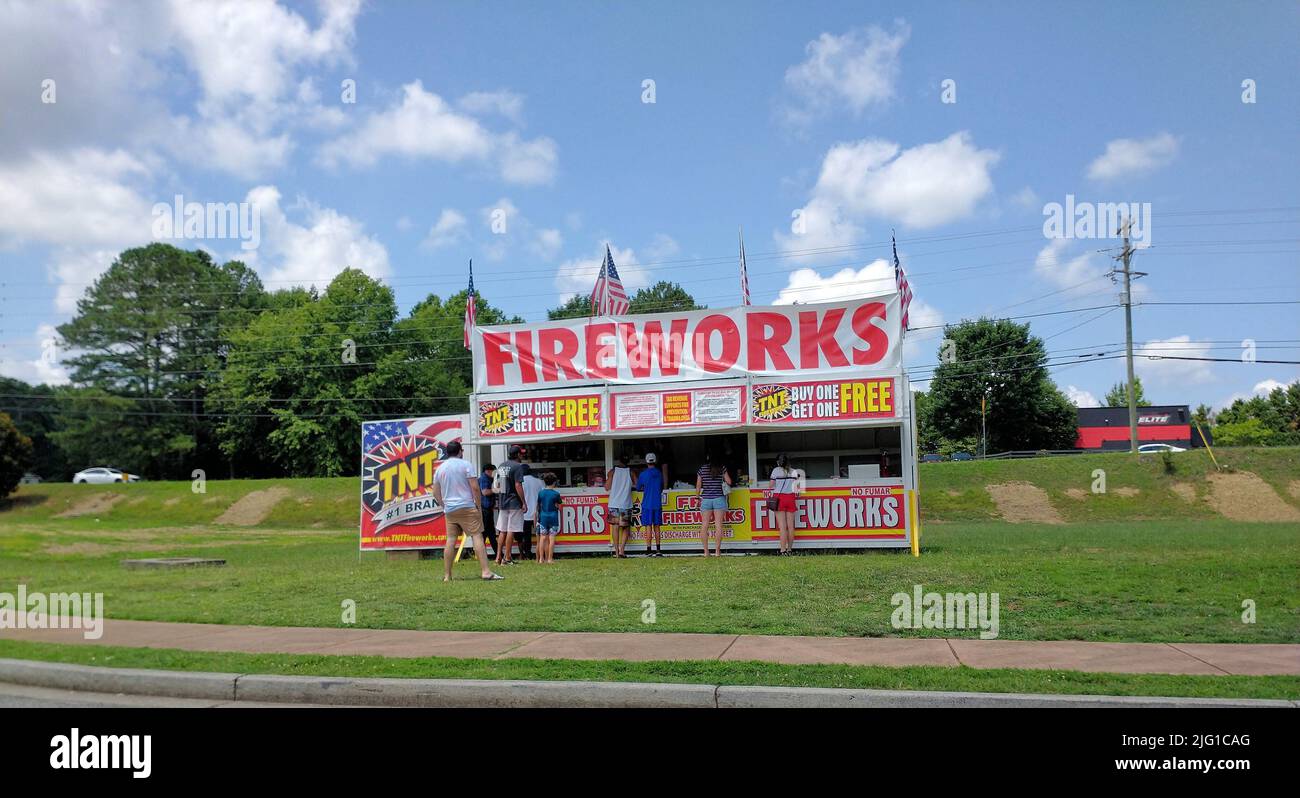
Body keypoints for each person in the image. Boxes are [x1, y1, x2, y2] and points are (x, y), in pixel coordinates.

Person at [431, 441, 502, 582]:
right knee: (477, 536)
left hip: (450, 509)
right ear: (460, 451)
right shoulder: (466, 465)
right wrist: (478, 505)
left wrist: (443, 506)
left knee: (451, 540)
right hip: (467, 506)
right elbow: (475, 488)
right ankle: (486, 571)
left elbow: (435, 492)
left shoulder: (440, 468)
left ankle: (447, 575)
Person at [494, 444, 528, 565]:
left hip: (503, 502)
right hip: (514, 502)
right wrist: (523, 502)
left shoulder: (501, 466)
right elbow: (518, 485)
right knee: (511, 530)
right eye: (521, 453)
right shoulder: (517, 466)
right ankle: (507, 558)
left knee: (502, 530)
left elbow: (498, 486)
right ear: (517, 454)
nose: (522, 456)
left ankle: (498, 557)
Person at [696, 453, 731, 556]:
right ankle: (717, 551)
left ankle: (706, 552)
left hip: (706, 499)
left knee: (704, 525)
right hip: (719, 499)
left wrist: (697, 498)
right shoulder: (722, 468)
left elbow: (698, 485)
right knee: (718, 525)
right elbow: (729, 481)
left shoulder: (702, 469)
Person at [769, 453, 800, 555]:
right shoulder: (794, 471)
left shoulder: (776, 471)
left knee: (782, 527)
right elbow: (797, 489)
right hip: (790, 497)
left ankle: (783, 550)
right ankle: (790, 549)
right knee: (791, 527)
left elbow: (771, 486)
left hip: (779, 498)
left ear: (778, 462)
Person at [636, 452, 665, 556]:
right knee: (657, 526)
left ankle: (648, 550)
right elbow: (662, 487)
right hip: (657, 503)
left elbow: (638, 487)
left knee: (648, 526)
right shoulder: (659, 473)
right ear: (655, 461)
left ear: (646, 461)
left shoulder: (643, 474)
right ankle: (658, 550)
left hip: (647, 504)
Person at [606, 453, 633, 558]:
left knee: (615, 527)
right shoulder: (631, 472)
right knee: (625, 527)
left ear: (619, 461)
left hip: (614, 503)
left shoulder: (612, 472)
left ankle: (616, 552)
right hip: (625, 503)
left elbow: (607, 487)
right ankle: (622, 550)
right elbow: (638, 485)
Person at [535, 472, 564, 564]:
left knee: (542, 538)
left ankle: (541, 559)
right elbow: (560, 507)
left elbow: (538, 506)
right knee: (551, 538)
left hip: (543, 517)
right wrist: (556, 506)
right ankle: (550, 559)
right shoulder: (556, 494)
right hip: (553, 517)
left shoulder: (541, 493)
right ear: (554, 482)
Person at [521, 468, 544, 561]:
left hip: (524, 513)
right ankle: (542, 554)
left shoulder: (520, 482)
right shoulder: (539, 481)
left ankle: (527, 553)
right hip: (537, 512)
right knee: (541, 534)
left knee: (526, 535)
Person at [477, 464, 499, 556]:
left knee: (490, 533)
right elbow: (485, 492)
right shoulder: (484, 479)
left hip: (487, 509)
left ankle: (498, 554)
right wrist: (497, 490)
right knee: (485, 533)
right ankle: (483, 554)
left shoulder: (487, 479)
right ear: (488, 471)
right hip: (484, 510)